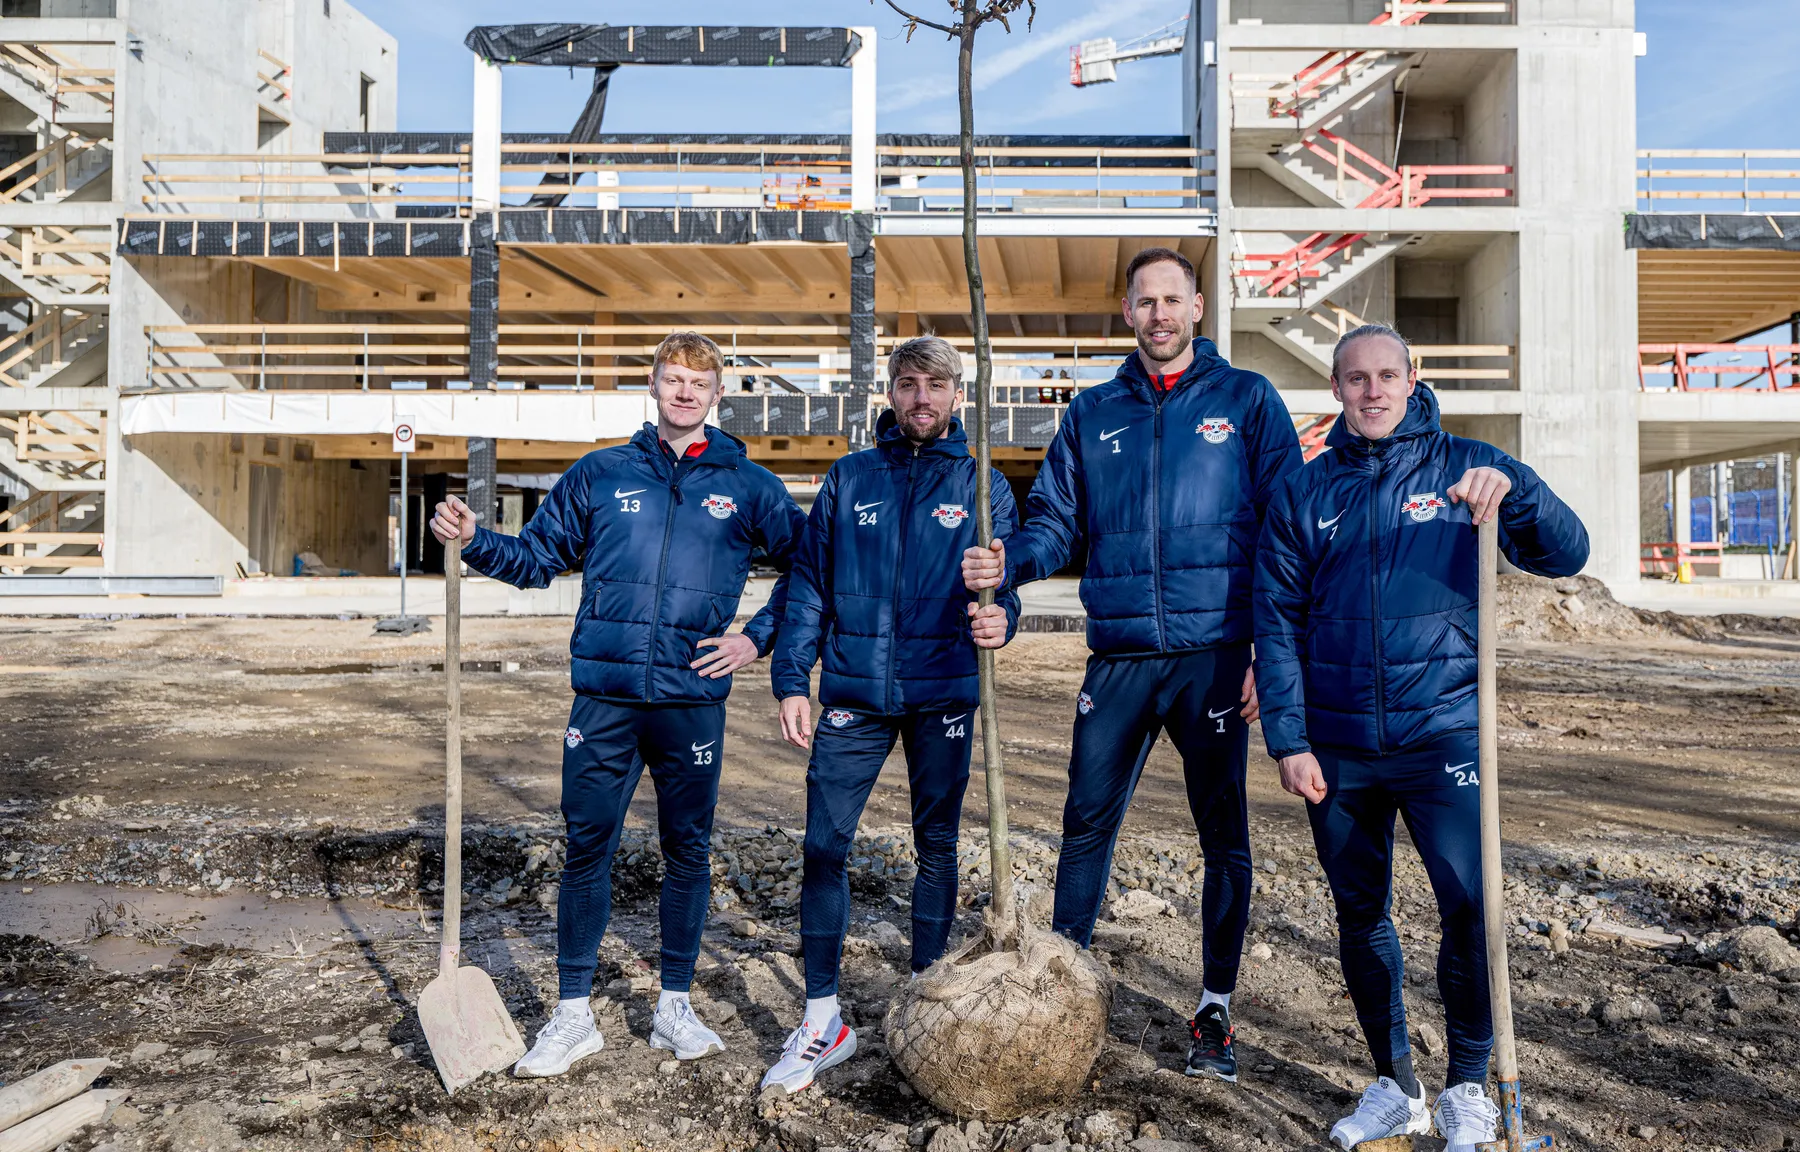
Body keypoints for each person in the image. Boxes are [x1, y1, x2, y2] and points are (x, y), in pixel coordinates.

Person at [961, 247, 1303, 1082]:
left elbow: (1287, 537)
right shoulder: (1093, 414)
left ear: (1196, 310)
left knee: (1223, 837)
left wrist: (1273, 652)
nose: (1158, 314)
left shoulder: (1247, 401)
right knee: (1084, 826)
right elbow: (1055, 522)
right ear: (1126, 312)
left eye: (1172, 300)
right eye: (1144, 301)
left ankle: (1215, 1010)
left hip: (1214, 657)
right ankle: (1068, 991)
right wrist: (1009, 560)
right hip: (1118, 657)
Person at [429, 331, 806, 1079]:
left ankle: (674, 1004)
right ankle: (572, 1016)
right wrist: (475, 540)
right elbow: (536, 560)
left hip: (692, 699)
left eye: (699, 382)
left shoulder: (751, 486)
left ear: (718, 393)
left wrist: (754, 641)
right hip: (603, 699)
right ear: (654, 384)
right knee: (586, 849)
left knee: (687, 852)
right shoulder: (600, 474)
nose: (685, 392)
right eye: (673, 379)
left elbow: (808, 573)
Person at [1251, 325, 1587, 1151]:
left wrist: (1515, 489)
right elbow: (1277, 620)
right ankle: (1397, 1087)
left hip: (1444, 737)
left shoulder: (1468, 469)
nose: (1372, 392)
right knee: (1359, 913)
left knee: (1469, 909)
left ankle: (1470, 1084)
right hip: (1338, 747)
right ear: (1336, 389)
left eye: (1387, 376)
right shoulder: (1306, 490)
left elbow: (1569, 554)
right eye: (1356, 379)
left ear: (1413, 380)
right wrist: (1289, 741)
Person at [761, 335, 1020, 1095]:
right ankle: (820, 1019)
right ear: (891, 393)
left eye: (935, 386)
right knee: (821, 845)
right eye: (907, 385)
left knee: (937, 846)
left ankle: (924, 998)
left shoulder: (981, 485)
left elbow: (1006, 586)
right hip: (852, 694)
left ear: (956, 396)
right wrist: (790, 679)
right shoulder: (850, 478)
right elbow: (808, 584)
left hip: (943, 692)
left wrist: (1002, 614)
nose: (920, 399)